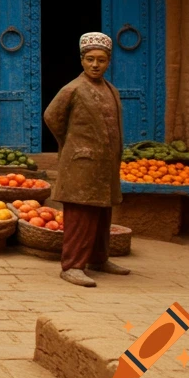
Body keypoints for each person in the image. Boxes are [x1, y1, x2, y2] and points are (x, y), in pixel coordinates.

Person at [44, 32, 130, 288]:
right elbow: (52, 117)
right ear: (82, 60)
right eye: (90, 59)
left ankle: (98, 258)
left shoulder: (111, 90)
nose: (95, 65)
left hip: (105, 164)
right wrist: (71, 143)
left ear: (108, 62)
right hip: (81, 163)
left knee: (103, 213)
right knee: (81, 215)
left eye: (101, 60)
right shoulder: (73, 89)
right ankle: (72, 266)